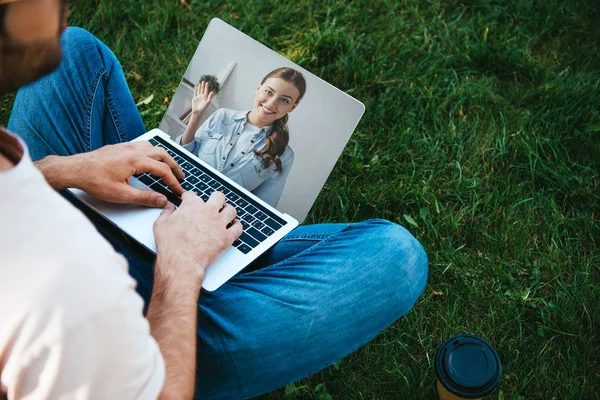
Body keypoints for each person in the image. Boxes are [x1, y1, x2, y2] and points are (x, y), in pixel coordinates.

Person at [0, 1, 429, 399]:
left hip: (117, 204)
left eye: (285, 100)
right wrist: (182, 263)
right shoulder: (46, 316)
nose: (64, 4)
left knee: (76, 49)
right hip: (152, 313)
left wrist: (62, 169)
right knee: (397, 255)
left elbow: (266, 199)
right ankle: (222, 280)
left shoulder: (284, 154)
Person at [177, 67, 305, 207]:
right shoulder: (222, 116)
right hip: (180, 189)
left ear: (293, 107)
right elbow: (185, 154)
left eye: (284, 100)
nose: (271, 103)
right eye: (269, 92)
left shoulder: (284, 156)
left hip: (216, 215)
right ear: (258, 88)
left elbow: (264, 205)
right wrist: (196, 115)